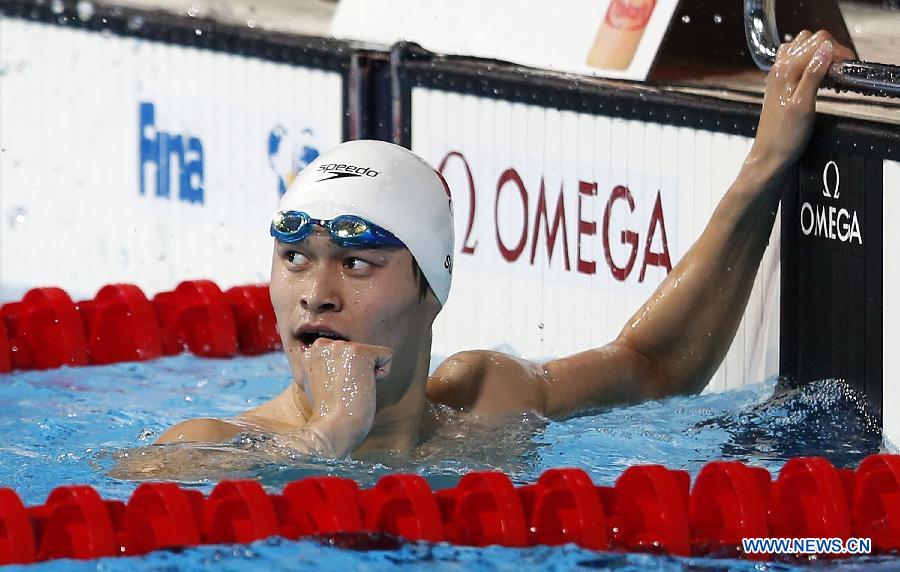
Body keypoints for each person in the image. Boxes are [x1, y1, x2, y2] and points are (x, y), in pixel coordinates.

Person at [155, 31, 854, 459]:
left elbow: (654, 365)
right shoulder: (207, 448)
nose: (317, 292)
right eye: (294, 258)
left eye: (359, 262)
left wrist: (765, 167)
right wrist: (328, 433)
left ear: (433, 287)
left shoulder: (488, 400)